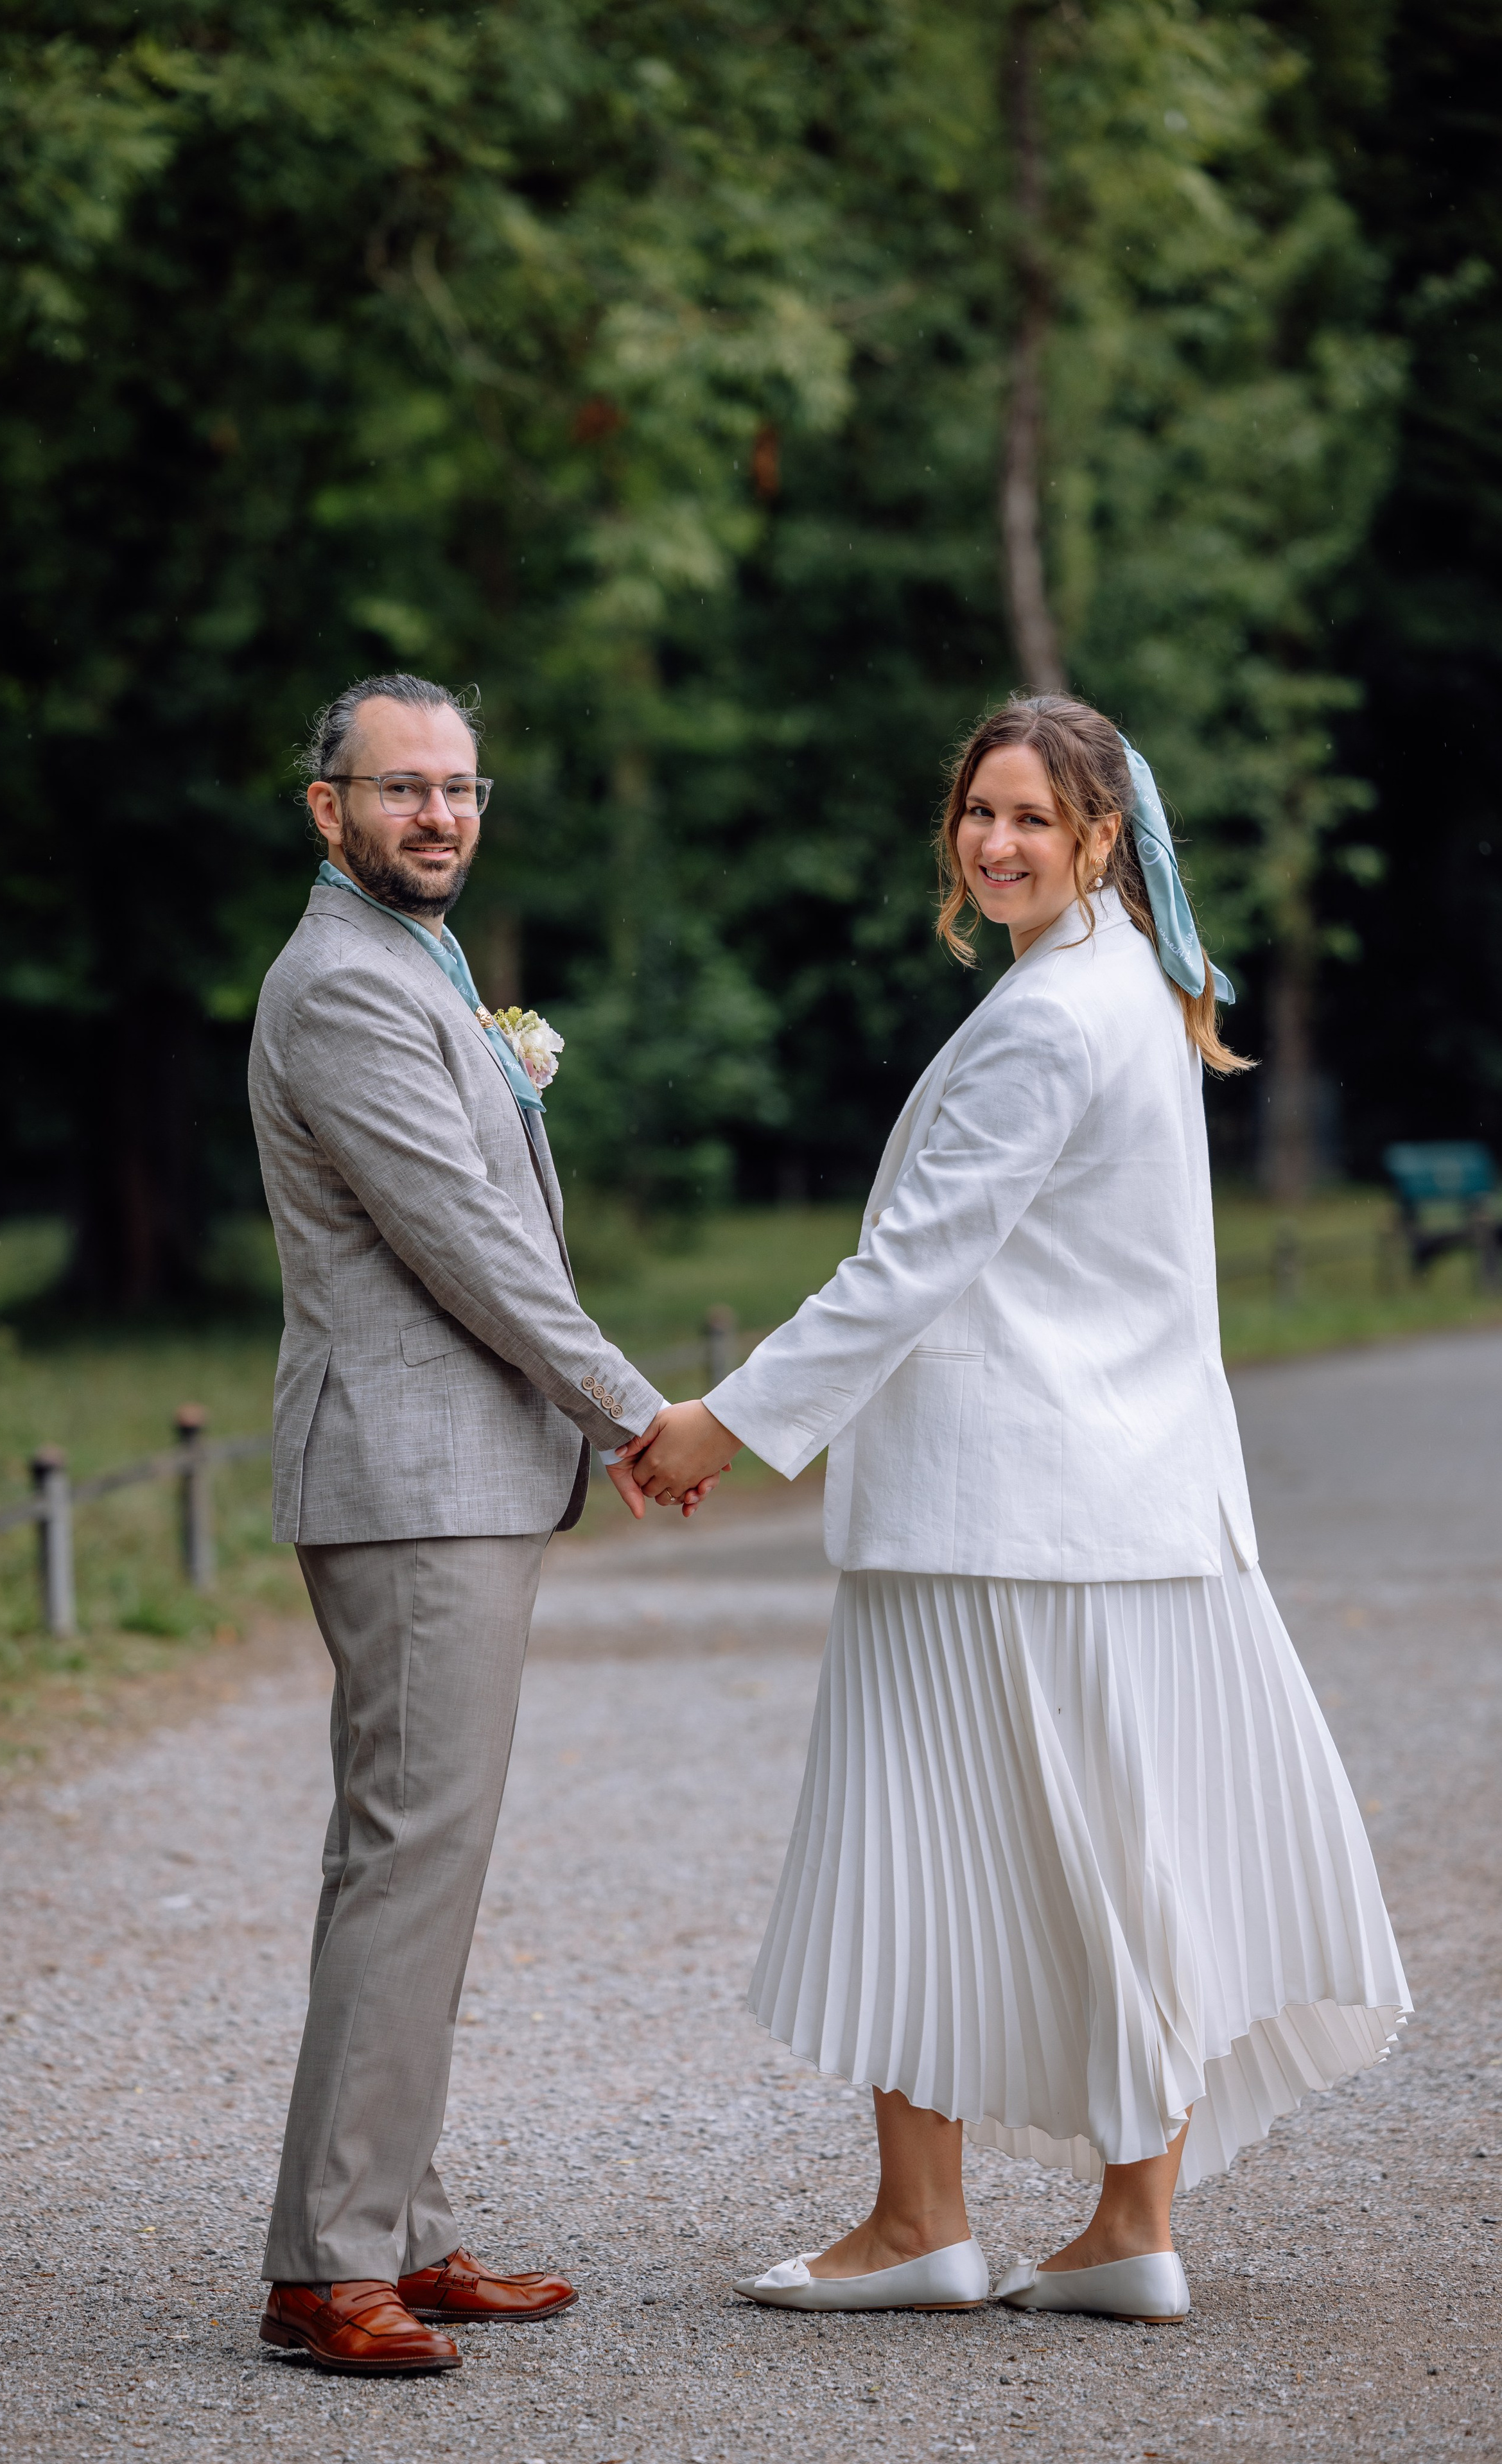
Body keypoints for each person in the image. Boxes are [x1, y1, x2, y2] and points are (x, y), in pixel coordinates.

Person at [622, 693, 1409, 2324]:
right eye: (976, 813)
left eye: (1029, 818)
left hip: (995, 1515)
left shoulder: (1053, 1017)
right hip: (1123, 1504)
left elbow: (905, 1268)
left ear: (1098, 837)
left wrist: (721, 1424)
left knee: (921, 1843)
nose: (993, 842)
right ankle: (1128, 2223)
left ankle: (922, 2223)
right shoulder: (1126, 982)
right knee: (1127, 1853)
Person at [248, 672, 669, 2374]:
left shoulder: (412, 956)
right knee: (412, 1855)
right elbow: (474, 1248)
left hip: (449, 1474)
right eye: (402, 787)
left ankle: (397, 2226)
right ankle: (324, 2263)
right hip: (410, 1483)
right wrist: (635, 1406)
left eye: (461, 787)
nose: (439, 813)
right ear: (325, 806)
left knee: (414, 1853)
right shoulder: (341, 987)